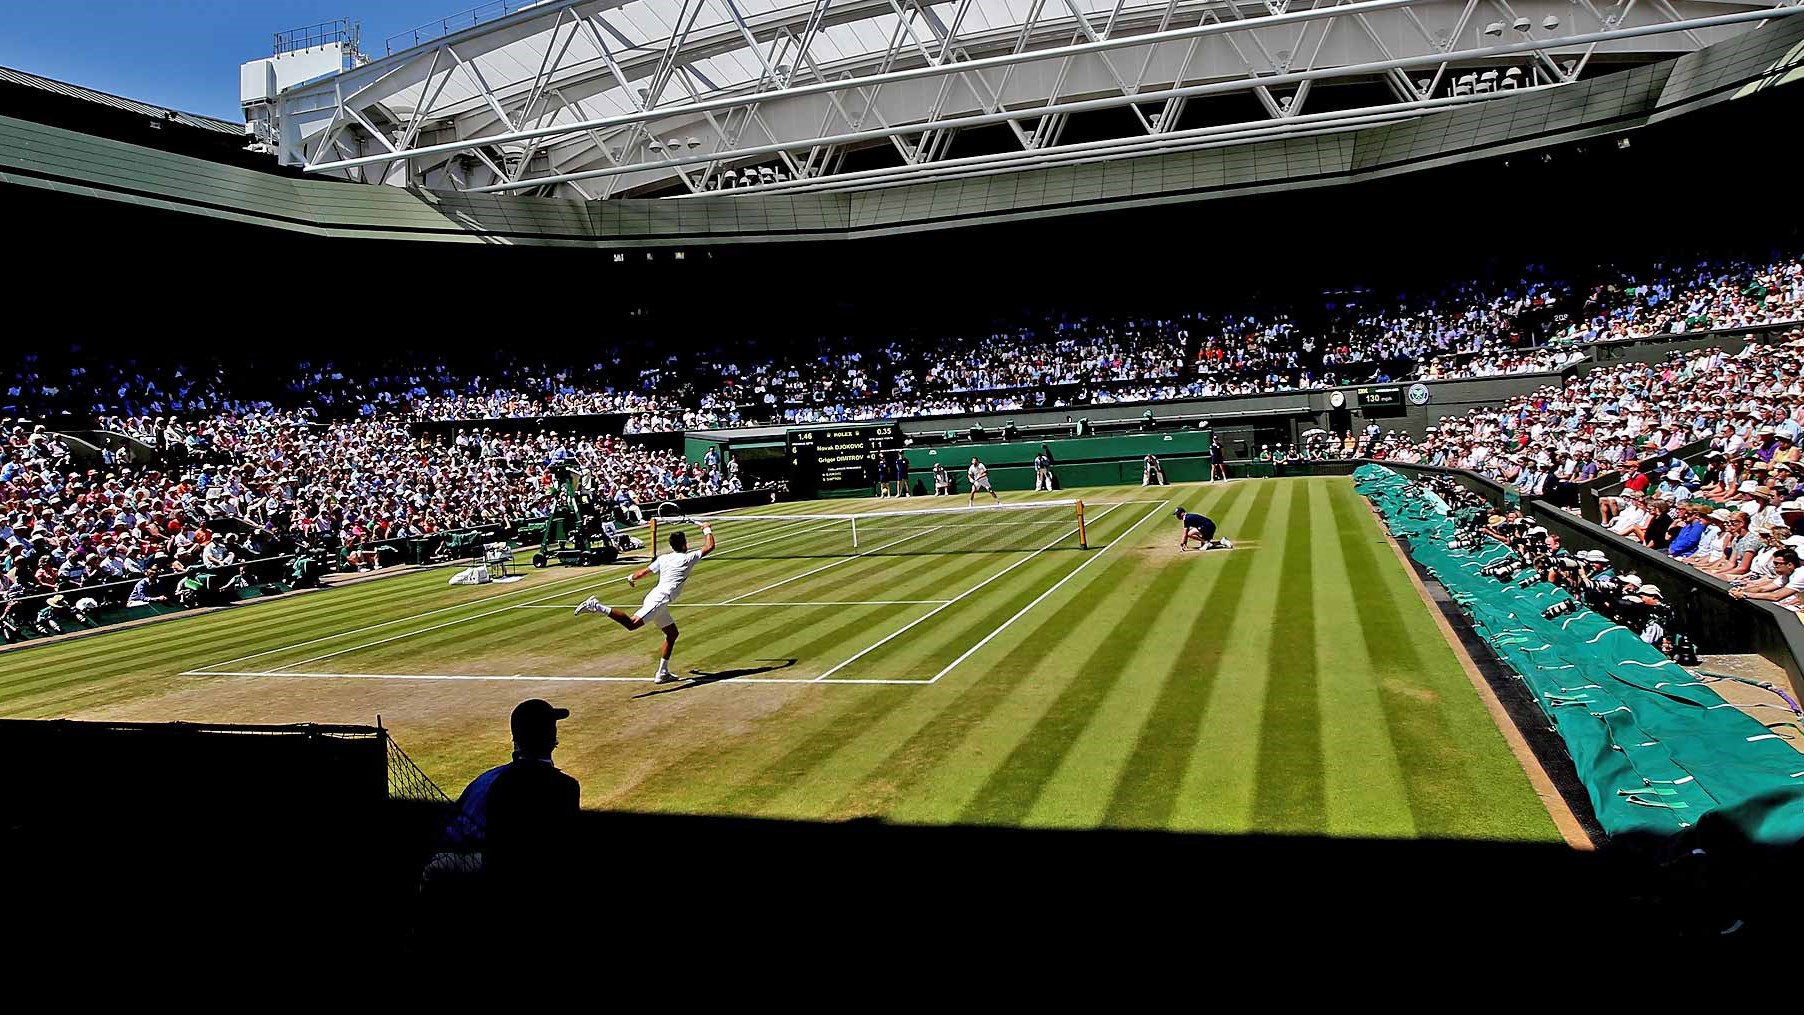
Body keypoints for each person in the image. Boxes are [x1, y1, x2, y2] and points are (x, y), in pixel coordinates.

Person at [426, 699, 581, 915]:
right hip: (498, 870)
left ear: (517, 739)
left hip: (467, 863)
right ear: (552, 738)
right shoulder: (565, 787)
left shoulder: (488, 780)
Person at [573, 522, 716, 683]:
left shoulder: (664, 559)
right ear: (684, 544)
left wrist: (631, 577)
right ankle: (596, 606)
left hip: (656, 597)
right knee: (632, 624)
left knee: (672, 633)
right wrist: (706, 529)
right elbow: (709, 546)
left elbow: (644, 572)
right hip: (659, 600)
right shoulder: (687, 558)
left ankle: (663, 672)